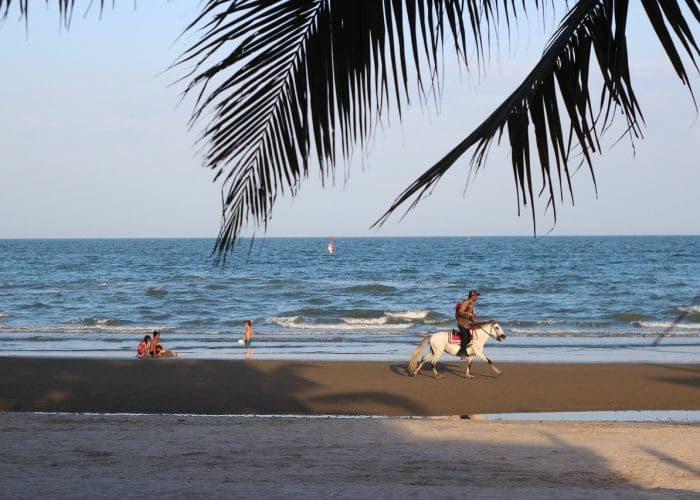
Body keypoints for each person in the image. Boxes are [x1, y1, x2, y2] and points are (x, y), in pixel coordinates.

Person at [456, 290, 479, 359]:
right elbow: (460, 311)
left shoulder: (471, 304)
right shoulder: (466, 302)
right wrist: (469, 314)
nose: (477, 297)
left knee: (469, 337)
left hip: (466, 324)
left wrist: (472, 317)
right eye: (476, 296)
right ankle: (462, 353)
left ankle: (463, 350)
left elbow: (469, 315)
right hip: (461, 323)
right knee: (465, 338)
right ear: (472, 296)